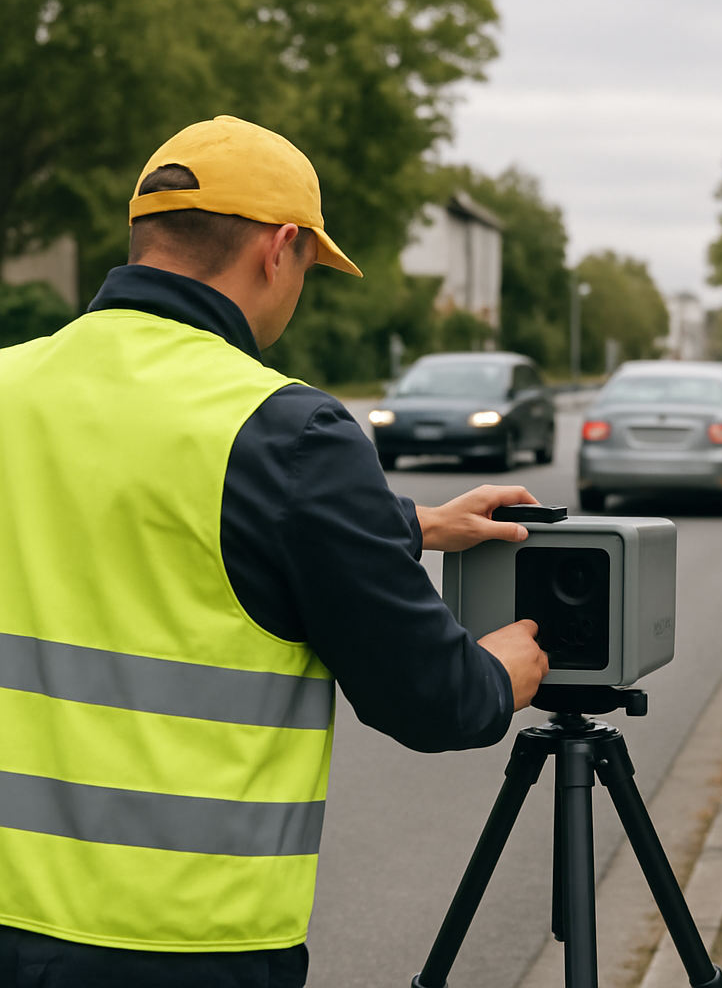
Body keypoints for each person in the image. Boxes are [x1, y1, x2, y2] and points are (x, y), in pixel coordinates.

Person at [0, 115, 549, 988]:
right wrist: (498, 674)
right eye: (307, 269)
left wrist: (413, 523)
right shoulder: (289, 430)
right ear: (278, 248)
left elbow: (149, 517)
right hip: (184, 941)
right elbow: (429, 699)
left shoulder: (11, 383)